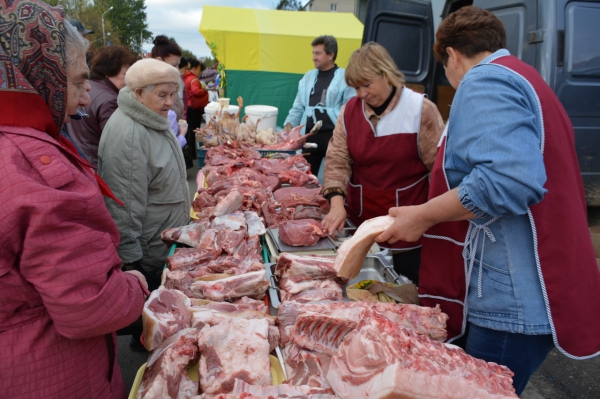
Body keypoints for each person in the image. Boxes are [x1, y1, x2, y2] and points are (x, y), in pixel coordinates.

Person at [375, 6, 600, 394]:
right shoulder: (526, 76)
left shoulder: (484, 81)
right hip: (533, 290)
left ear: (452, 55)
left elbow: (508, 180)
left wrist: (423, 216)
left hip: (510, 303)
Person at [0, 2, 148, 398]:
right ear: (39, 72)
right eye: (78, 80)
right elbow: (89, 306)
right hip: (48, 374)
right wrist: (134, 284)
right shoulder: (35, 164)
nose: (85, 99)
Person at [321, 42, 444, 285]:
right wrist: (336, 204)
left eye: (367, 85)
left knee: (406, 292)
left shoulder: (420, 110)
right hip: (361, 224)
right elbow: (337, 159)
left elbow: (441, 171)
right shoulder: (349, 112)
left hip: (408, 228)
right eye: (356, 87)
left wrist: (433, 217)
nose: (361, 94)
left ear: (387, 75)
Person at [98, 57, 190, 292]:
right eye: (162, 95)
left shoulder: (151, 118)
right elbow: (123, 205)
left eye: (173, 94)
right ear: (139, 93)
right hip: (150, 252)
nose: (170, 102)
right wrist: (131, 261)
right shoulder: (129, 133)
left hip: (162, 241)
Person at [284, 35, 355, 176]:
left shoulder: (345, 78)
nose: (314, 57)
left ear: (330, 55)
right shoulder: (308, 77)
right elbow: (298, 108)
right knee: (306, 178)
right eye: (313, 53)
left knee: (334, 178)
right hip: (308, 140)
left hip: (334, 140)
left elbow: (351, 110)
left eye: (318, 53)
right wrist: (288, 128)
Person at [66, 45, 137, 167]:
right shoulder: (111, 100)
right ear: (109, 72)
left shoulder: (86, 88)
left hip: (80, 160)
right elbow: (117, 144)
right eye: (125, 75)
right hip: (97, 165)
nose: (130, 81)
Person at [151, 35, 184, 121]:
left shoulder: (172, 85)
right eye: (173, 65)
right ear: (159, 62)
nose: (177, 70)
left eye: (178, 65)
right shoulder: (149, 89)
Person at [184, 58, 209, 156]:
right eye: (199, 69)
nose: (199, 72)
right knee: (194, 130)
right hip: (194, 108)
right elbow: (195, 91)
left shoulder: (185, 77)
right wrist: (203, 90)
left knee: (189, 130)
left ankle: (189, 152)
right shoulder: (193, 79)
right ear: (194, 69)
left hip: (187, 107)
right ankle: (192, 153)